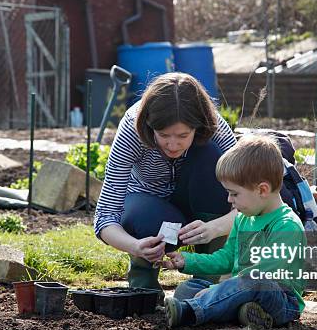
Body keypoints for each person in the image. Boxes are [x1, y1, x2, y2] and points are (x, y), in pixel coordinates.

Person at [93, 72, 238, 295]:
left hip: (199, 210)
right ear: (149, 126)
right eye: (163, 134)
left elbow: (247, 202)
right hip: (150, 208)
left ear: (198, 126)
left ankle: (207, 280)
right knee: (142, 216)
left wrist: (213, 228)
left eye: (182, 135)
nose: (172, 144)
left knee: (213, 155)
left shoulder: (213, 125)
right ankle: (144, 280)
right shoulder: (132, 130)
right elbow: (105, 215)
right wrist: (134, 246)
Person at [156, 134, 306, 329]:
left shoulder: (287, 226)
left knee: (254, 282)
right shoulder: (243, 218)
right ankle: (244, 313)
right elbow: (227, 258)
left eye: (234, 193)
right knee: (187, 289)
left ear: (262, 190)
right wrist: (188, 260)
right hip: (240, 289)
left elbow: (263, 273)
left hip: (280, 300)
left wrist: (218, 289)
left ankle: (191, 312)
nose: (229, 200)